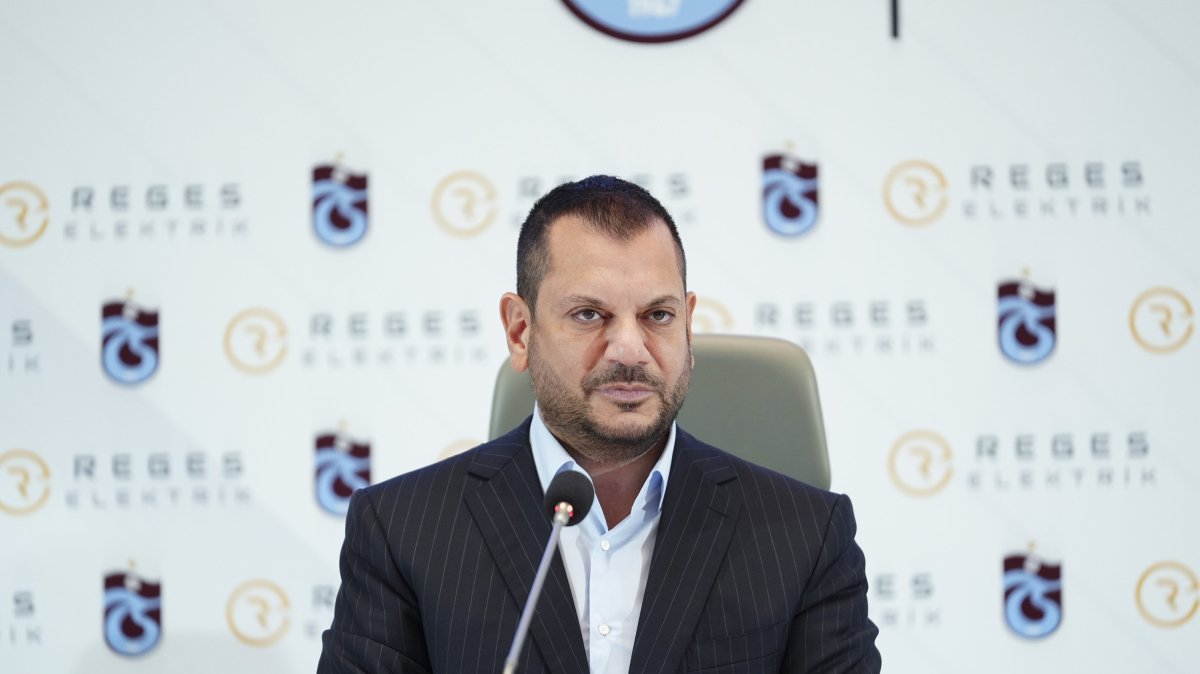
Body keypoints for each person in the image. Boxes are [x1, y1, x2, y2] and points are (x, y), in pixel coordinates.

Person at [318, 176, 881, 673]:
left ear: (688, 326)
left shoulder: (806, 537)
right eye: (590, 315)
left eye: (658, 316)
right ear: (520, 332)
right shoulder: (403, 531)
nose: (630, 349)